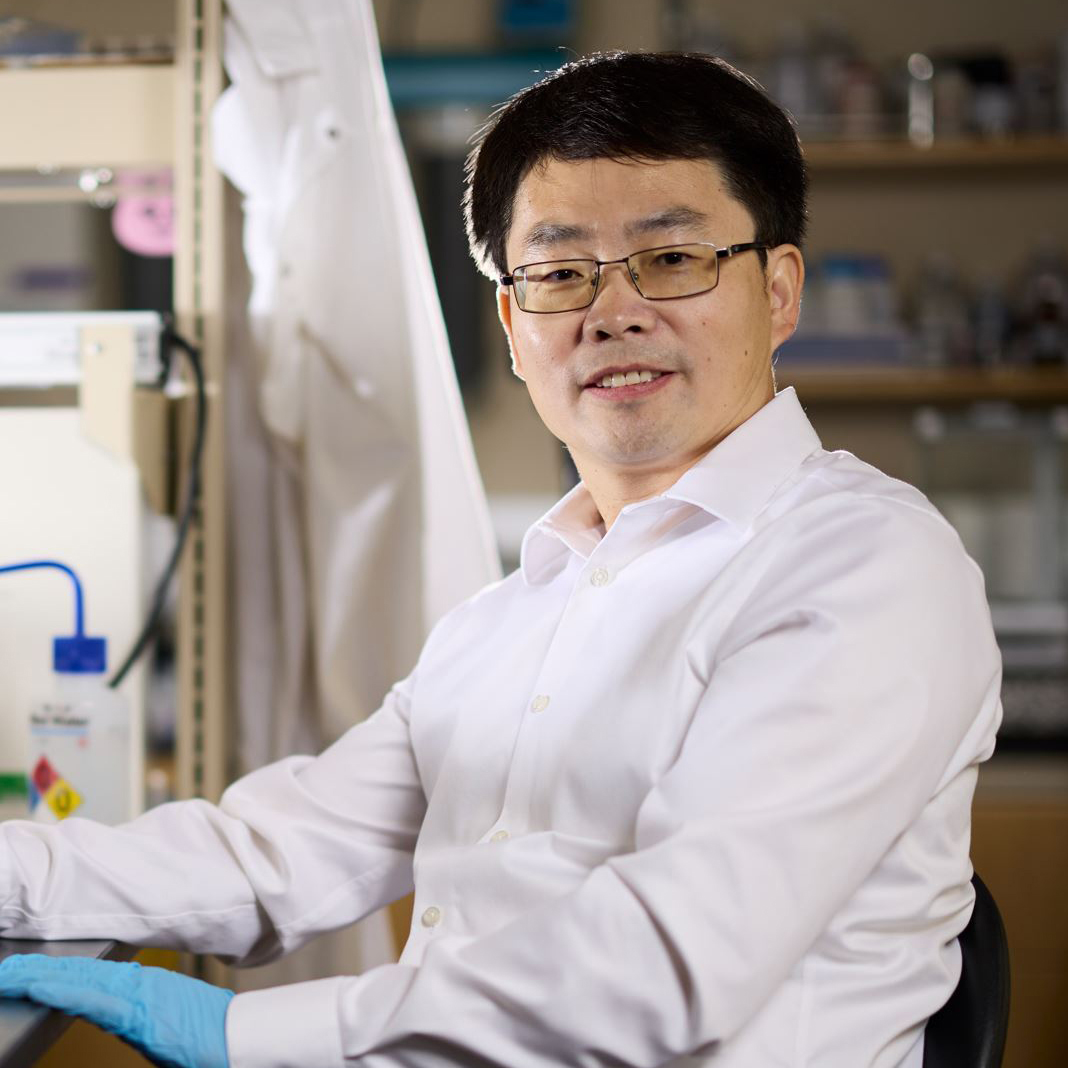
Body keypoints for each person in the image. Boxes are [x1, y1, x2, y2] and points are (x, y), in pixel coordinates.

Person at [0, 51, 1001, 1068]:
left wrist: (244, 1032)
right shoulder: (512, 613)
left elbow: (666, 963)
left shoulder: (866, 565)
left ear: (778, 291)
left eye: (672, 258)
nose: (613, 312)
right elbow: (279, 855)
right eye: (561, 272)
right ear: (516, 328)